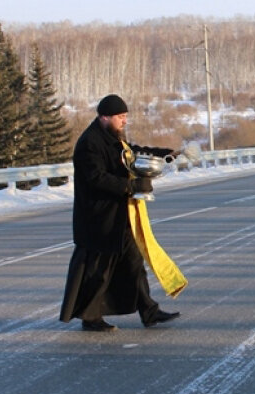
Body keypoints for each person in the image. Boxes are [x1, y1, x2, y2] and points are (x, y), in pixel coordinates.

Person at [60, 94, 181, 332]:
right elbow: (97, 178)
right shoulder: (89, 143)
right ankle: (90, 317)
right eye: (120, 117)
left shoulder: (113, 139)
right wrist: (130, 187)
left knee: (134, 263)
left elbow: (133, 154)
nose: (124, 121)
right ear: (105, 117)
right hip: (98, 220)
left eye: (125, 116)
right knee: (99, 271)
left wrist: (161, 153)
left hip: (118, 217)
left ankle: (149, 311)